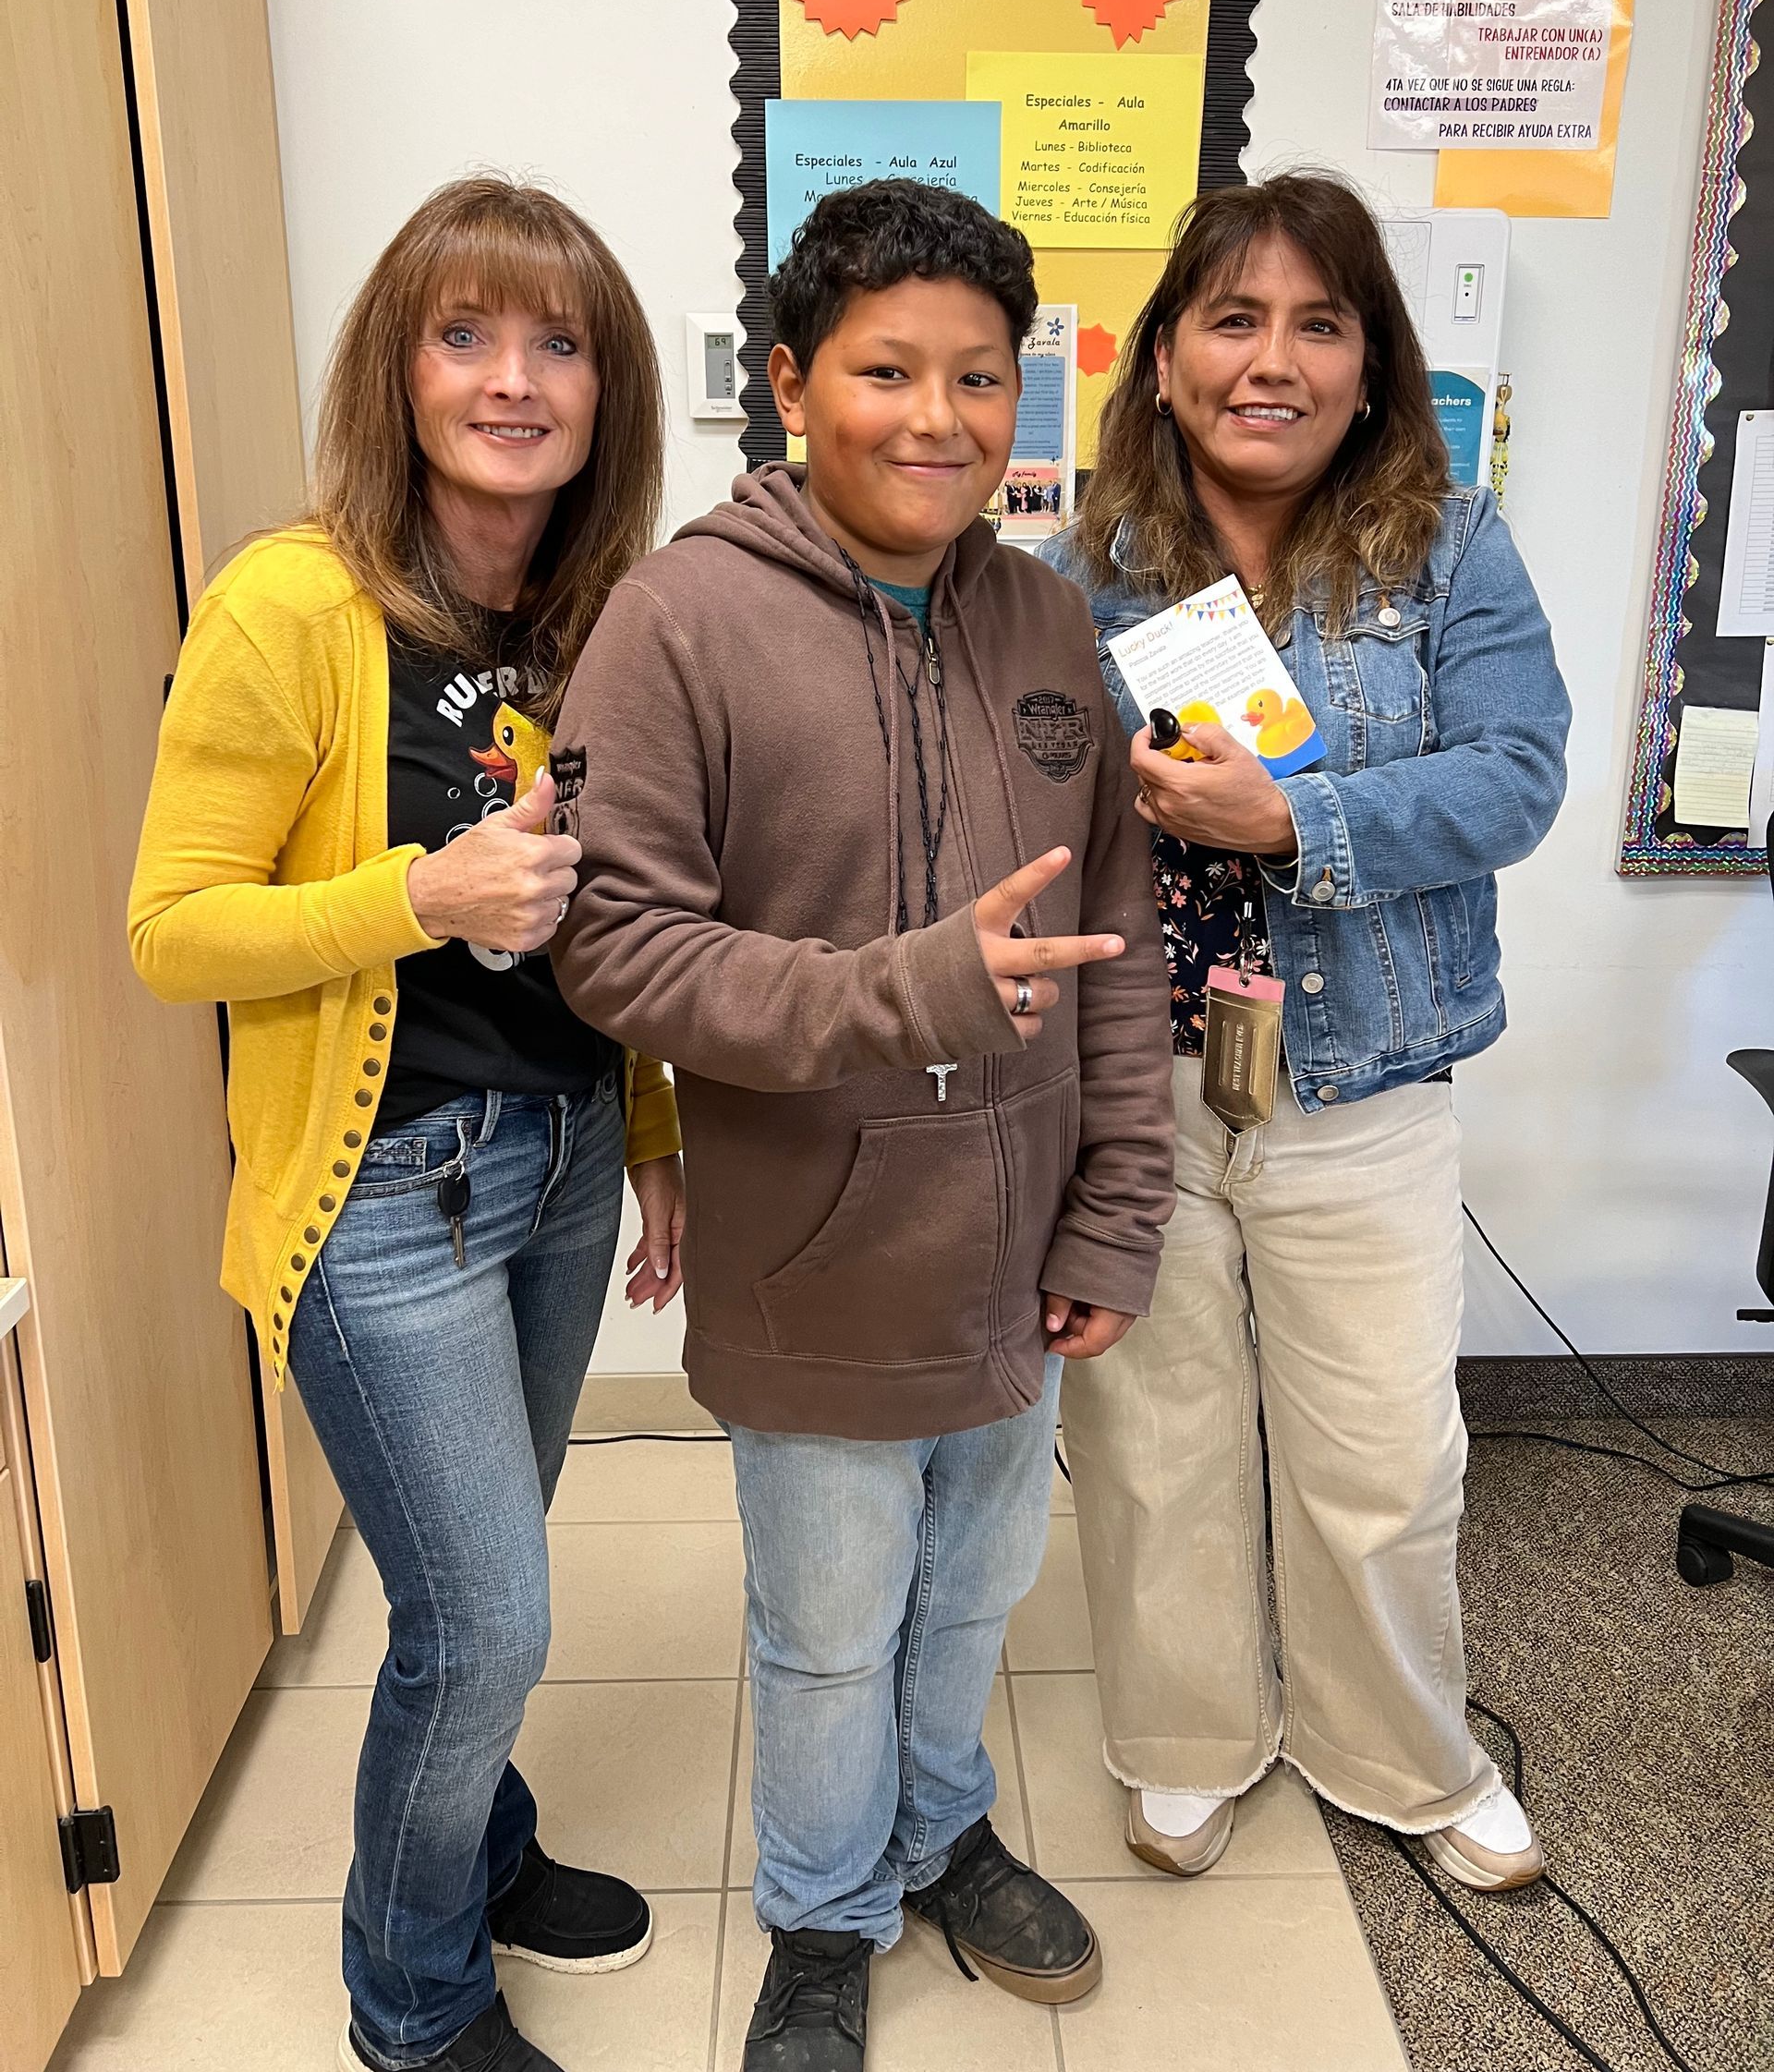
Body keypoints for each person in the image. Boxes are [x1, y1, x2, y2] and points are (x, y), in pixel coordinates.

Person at [547, 179, 1175, 2071]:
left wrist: (1118, 1206)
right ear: (797, 384)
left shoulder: (1052, 618)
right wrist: (896, 984)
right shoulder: (679, 622)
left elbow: (1124, 949)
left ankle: (935, 1828)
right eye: (889, 369)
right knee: (828, 1626)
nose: (939, 415)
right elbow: (617, 945)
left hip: (1021, 1255)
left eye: (980, 376)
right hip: (813, 1256)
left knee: (979, 1584)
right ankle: (822, 1915)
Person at [129, 176, 684, 2072]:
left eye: (558, 341)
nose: (513, 378)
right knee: (487, 1617)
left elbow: (627, 915)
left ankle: (484, 1844)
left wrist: (659, 1126)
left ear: (607, 390)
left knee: (482, 1574)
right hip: (383, 1198)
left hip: (558, 1160)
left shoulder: (602, 609)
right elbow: (170, 926)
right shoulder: (292, 604)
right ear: (400, 363)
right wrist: (414, 897)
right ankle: (411, 1997)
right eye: (467, 333)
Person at [1044, 171, 1569, 1896]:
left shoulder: (1451, 542)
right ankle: (1190, 1740)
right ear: (1169, 354)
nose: (1272, 361)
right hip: (1145, 1083)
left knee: (1382, 1456)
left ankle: (1401, 1751)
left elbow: (1517, 776)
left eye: (1318, 324)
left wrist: (1296, 824)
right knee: (1154, 1444)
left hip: (1370, 1080)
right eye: (1235, 318)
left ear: (1369, 362)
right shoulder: (1085, 569)